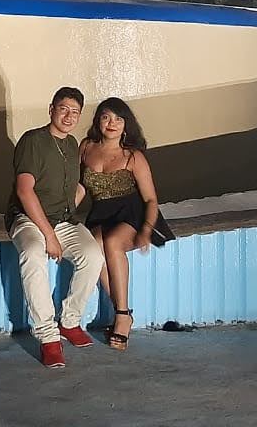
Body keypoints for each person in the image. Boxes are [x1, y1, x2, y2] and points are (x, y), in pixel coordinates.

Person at [5, 86, 104, 369]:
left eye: (75, 112)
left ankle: (69, 321)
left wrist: (74, 205)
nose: (69, 116)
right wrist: (49, 235)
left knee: (93, 256)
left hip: (62, 220)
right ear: (51, 110)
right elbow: (25, 191)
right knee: (33, 254)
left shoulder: (72, 145)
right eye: (63, 109)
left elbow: (74, 187)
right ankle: (48, 336)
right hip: (28, 219)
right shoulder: (33, 141)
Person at [80, 97, 174, 350]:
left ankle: (121, 315)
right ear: (98, 121)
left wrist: (146, 230)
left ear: (126, 125)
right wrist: (61, 212)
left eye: (118, 119)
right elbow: (80, 187)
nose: (111, 123)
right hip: (99, 213)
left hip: (131, 212)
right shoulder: (86, 147)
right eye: (106, 117)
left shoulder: (133, 156)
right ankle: (124, 313)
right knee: (94, 248)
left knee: (112, 242)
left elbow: (151, 199)